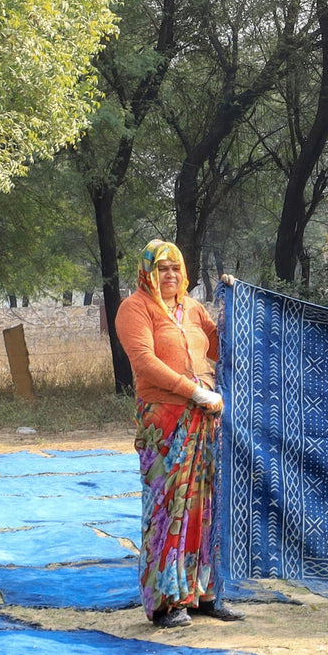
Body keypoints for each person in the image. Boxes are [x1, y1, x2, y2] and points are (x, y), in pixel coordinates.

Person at [116, 239, 245, 627]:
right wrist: (195, 391)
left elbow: (224, 348)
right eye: (161, 268)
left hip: (207, 420)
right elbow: (145, 363)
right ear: (147, 272)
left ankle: (204, 592)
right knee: (169, 507)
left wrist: (238, 305)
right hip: (167, 419)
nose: (170, 275)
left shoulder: (192, 308)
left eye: (176, 268)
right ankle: (167, 601)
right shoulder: (135, 308)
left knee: (207, 505)